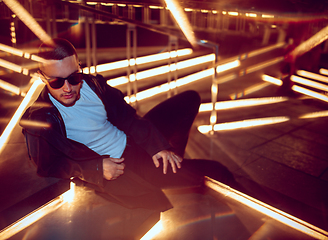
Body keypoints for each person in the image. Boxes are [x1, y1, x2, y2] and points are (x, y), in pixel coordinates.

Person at [20, 38, 236, 212]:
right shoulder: (41, 120)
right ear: (41, 77)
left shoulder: (93, 85)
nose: (67, 88)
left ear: (79, 68)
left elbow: (127, 118)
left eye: (74, 77)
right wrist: (95, 169)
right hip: (124, 167)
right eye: (57, 81)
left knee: (189, 99)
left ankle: (172, 158)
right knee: (217, 171)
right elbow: (47, 167)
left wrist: (158, 146)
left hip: (133, 141)